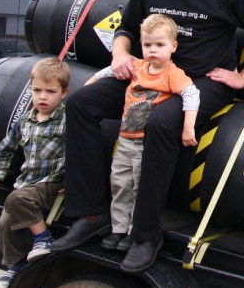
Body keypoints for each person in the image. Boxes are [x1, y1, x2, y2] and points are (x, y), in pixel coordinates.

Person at [51, 0, 244, 273]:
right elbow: (126, 28)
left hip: (199, 84)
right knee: (81, 103)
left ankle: (145, 235)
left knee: (160, 123)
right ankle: (91, 213)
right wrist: (120, 55)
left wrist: (242, 78)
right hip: (148, 78)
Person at [85, 14, 200, 252]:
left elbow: (191, 93)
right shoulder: (138, 67)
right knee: (120, 184)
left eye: (160, 45)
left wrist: (189, 126)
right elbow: (108, 71)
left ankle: (133, 230)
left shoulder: (172, 73)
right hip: (125, 140)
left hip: (145, 144)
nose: (153, 50)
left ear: (173, 46)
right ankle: (118, 228)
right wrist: (89, 85)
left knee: (139, 187)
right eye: (147, 45)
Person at [0, 57, 70, 288]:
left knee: (16, 199)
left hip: (52, 184)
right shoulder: (25, 121)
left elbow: (80, 152)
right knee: (5, 222)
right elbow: (4, 149)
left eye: (50, 91)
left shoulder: (65, 120)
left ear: (63, 93)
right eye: (37, 90)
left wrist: (72, 181)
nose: (42, 97)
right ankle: (14, 267)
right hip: (27, 184)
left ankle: (43, 239)